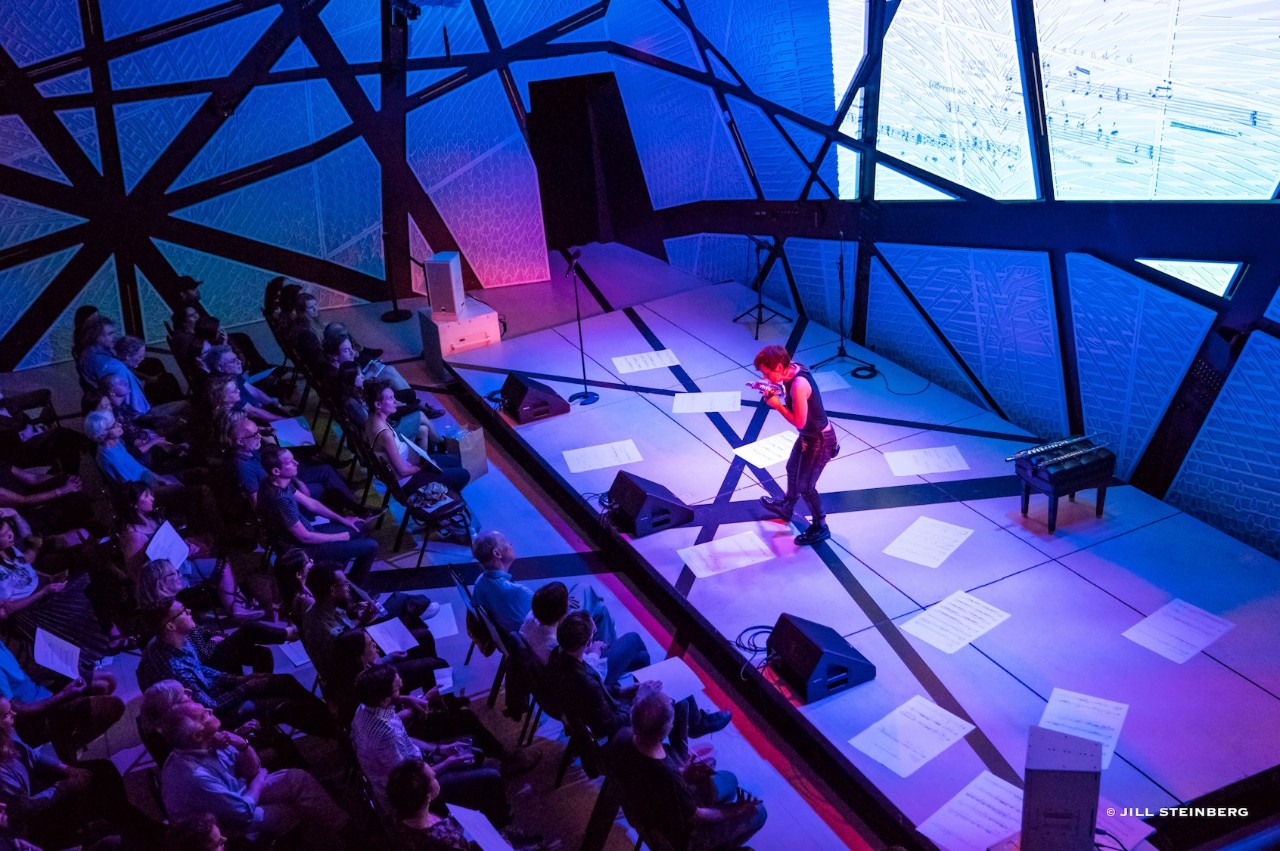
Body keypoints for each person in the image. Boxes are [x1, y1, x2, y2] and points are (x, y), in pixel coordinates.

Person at [137, 598, 338, 738]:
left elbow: (202, 670)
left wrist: (240, 679)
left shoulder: (175, 640)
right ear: (170, 626)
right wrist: (248, 687)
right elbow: (210, 708)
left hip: (213, 693)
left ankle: (333, 721)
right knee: (285, 706)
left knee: (285, 681)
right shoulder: (176, 671)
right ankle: (335, 733)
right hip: (211, 717)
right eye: (183, 611)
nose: (189, 611)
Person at [157, 699, 349, 846]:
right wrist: (260, 778)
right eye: (204, 715)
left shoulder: (208, 741)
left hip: (238, 795)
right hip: (222, 825)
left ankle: (346, 829)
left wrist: (241, 744)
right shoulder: (195, 776)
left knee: (296, 778)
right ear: (197, 735)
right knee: (287, 812)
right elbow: (243, 812)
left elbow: (252, 769)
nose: (210, 710)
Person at [606, 689, 766, 851]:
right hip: (679, 838)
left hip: (648, 812)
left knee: (730, 779)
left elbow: (652, 784)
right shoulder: (668, 776)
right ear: (668, 728)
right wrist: (736, 810)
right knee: (759, 812)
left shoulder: (622, 737)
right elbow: (696, 817)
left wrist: (684, 774)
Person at [350, 666, 511, 825]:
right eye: (397, 690)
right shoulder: (385, 736)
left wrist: (440, 749)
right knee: (492, 777)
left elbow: (403, 736)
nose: (402, 690)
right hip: (412, 799)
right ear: (385, 699)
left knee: (471, 744)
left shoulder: (364, 709)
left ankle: (475, 798)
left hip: (415, 766)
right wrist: (448, 763)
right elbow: (411, 783)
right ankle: (502, 826)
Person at [0, 696, 162, 849]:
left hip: (37, 787)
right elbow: (26, 807)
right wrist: (65, 786)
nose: (14, 714)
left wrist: (68, 769)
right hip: (32, 821)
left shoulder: (7, 735)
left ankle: (124, 819)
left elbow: (33, 756)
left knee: (102, 769)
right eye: (7, 715)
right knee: (96, 796)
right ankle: (143, 833)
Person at [546, 612, 729, 741]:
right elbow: (610, 724)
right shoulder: (586, 682)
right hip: (617, 721)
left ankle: (693, 722)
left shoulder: (557, 656)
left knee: (642, 659)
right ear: (586, 644)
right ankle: (695, 726)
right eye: (593, 635)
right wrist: (639, 700)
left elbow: (597, 690)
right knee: (677, 689)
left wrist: (621, 691)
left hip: (597, 706)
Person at [301, 562, 441, 696]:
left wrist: (362, 620)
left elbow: (349, 636)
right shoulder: (329, 633)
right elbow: (357, 669)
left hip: (362, 654)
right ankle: (436, 700)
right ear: (332, 590)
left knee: (424, 636)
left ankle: (433, 701)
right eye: (344, 584)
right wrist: (390, 658)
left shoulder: (320, 610)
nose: (348, 587)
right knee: (437, 665)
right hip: (362, 682)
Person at [753, 345, 840, 546]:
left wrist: (777, 404)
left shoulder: (799, 385)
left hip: (820, 440)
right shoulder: (792, 368)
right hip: (808, 436)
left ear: (779, 367)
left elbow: (799, 422)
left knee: (806, 486)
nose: (765, 378)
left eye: (767, 373)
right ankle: (787, 507)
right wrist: (773, 388)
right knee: (792, 468)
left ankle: (820, 526)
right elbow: (785, 385)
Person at [0, 516, 113, 666]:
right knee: (79, 598)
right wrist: (44, 592)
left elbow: (26, 571)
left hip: (43, 589)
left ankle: (109, 637)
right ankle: (89, 654)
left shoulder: (10, 550)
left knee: (89, 580)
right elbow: (8, 609)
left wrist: (50, 577)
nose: (11, 535)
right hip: (30, 606)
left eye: (10, 530)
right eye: (4, 534)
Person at [257, 444, 377, 584]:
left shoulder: (277, 482)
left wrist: (343, 519)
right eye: (290, 462)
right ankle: (352, 589)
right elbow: (305, 538)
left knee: (359, 526)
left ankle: (334, 573)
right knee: (371, 545)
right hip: (300, 548)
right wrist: (338, 537)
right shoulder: (279, 499)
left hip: (308, 533)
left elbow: (310, 503)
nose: (296, 463)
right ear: (276, 471)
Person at [0, 641, 122, 762]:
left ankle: (71, 739)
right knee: (113, 707)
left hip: (43, 692)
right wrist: (64, 694)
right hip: (35, 716)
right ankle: (68, 748)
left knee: (106, 680)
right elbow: (14, 710)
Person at [521, 581, 650, 686]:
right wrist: (594, 652)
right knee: (634, 640)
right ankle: (646, 698)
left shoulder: (530, 619)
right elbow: (585, 672)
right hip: (591, 677)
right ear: (561, 614)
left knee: (592, 600)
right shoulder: (559, 647)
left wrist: (566, 609)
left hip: (557, 672)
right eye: (566, 602)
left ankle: (604, 626)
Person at [364, 380, 469, 494]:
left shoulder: (371, 420)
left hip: (409, 466)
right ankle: (444, 495)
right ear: (378, 405)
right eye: (390, 398)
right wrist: (424, 466)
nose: (395, 401)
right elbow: (403, 472)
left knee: (455, 460)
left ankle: (446, 488)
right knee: (464, 474)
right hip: (407, 481)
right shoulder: (385, 434)